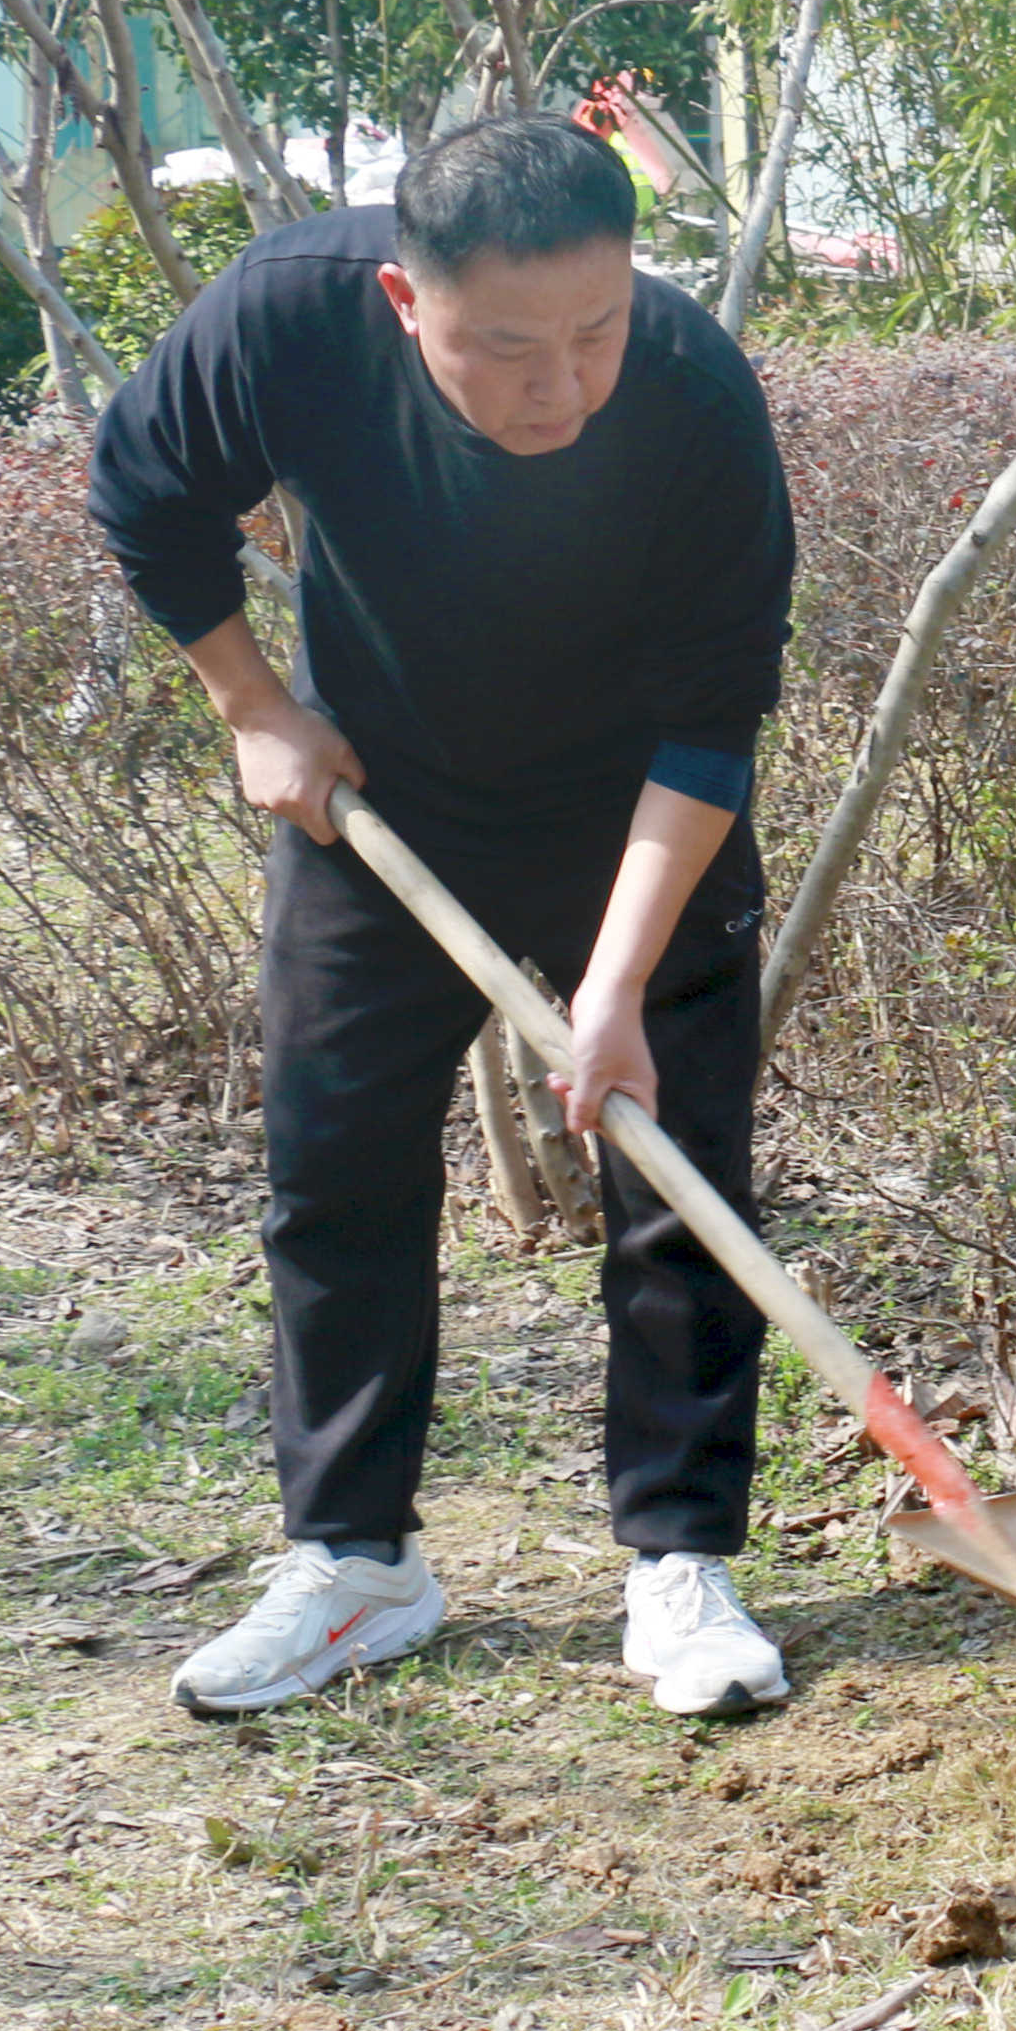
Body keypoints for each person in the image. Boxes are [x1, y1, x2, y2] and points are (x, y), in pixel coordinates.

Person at [88, 115, 803, 1720]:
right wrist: (253, 705)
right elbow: (146, 493)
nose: (558, 386)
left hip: (633, 811)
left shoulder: (688, 391)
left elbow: (711, 724)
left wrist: (617, 990)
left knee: (673, 1168)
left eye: (594, 332)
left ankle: (680, 1562)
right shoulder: (285, 313)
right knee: (329, 1158)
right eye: (504, 348)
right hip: (381, 796)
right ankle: (355, 1563)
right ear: (408, 303)